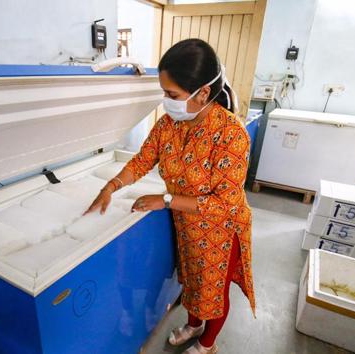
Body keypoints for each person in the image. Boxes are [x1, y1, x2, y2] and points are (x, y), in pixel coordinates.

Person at [84, 38, 255, 354]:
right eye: (164, 93)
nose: (166, 102)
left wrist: (164, 200)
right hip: (187, 224)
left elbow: (225, 203)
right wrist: (112, 186)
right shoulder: (169, 124)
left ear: (202, 93)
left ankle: (206, 344)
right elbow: (142, 160)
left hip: (220, 230)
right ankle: (193, 324)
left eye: (172, 95)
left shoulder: (232, 134)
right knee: (190, 282)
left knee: (213, 292)